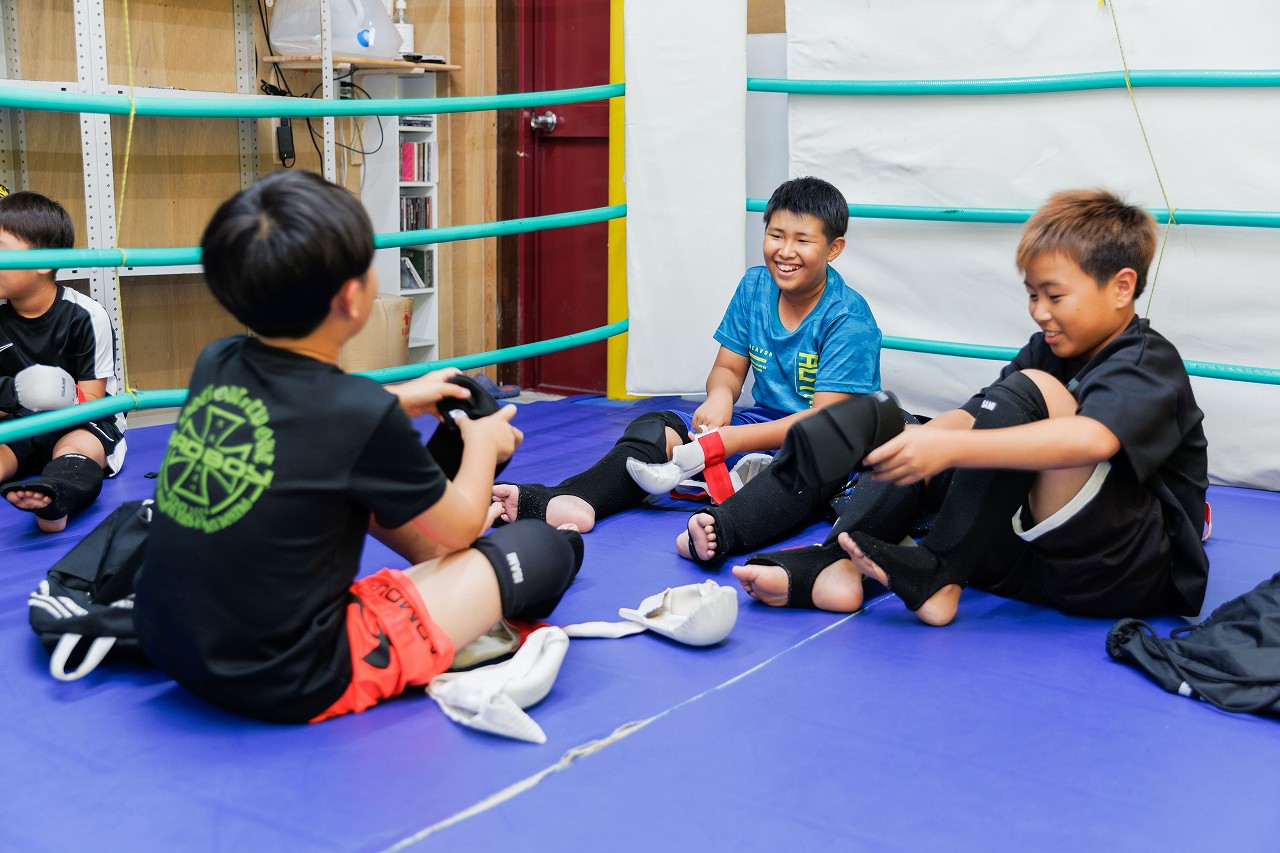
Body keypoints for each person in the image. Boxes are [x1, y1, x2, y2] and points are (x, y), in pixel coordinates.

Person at [133, 171, 583, 724]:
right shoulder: (357, 415)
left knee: (357, 483)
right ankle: (483, 612)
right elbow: (464, 526)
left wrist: (396, 397)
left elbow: (302, 416)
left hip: (172, 642)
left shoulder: (217, 360)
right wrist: (484, 445)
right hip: (291, 676)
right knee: (544, 551)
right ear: (352, 297)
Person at [735, 188, 1209, 627]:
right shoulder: (1052, 346)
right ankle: (834, 564)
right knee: (928, 434)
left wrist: (952, 446)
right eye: (1032, 295)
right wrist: (919, 440)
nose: (1040, 311)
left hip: (1121, 571)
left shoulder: (1146, 360)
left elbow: (1091, 438)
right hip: (1030, 564)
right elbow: (978, 411)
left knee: (1020, 396)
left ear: (1122, 288)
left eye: (1055, 296)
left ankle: (940, 572)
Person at [492, 176, 884, 562]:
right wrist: (719, 398)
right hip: (756, 427)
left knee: (805, 466)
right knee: (655, 427)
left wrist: (729, 442)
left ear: (833, 249)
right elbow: (728, 368)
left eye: (803, 240)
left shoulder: (849, 318)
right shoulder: (754, 287)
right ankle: (578, 498)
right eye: (776, 235)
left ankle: (722, 527)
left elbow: (821, 423)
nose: (785, 251)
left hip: (820, 443)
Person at [0, 191, 126, 533]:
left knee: (76, 449)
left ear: (43, 261)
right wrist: (18, 395)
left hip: (83, 421)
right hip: (22, 424)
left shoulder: (85, 315)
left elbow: (94, 399)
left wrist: (60, 394)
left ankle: (56, 498)